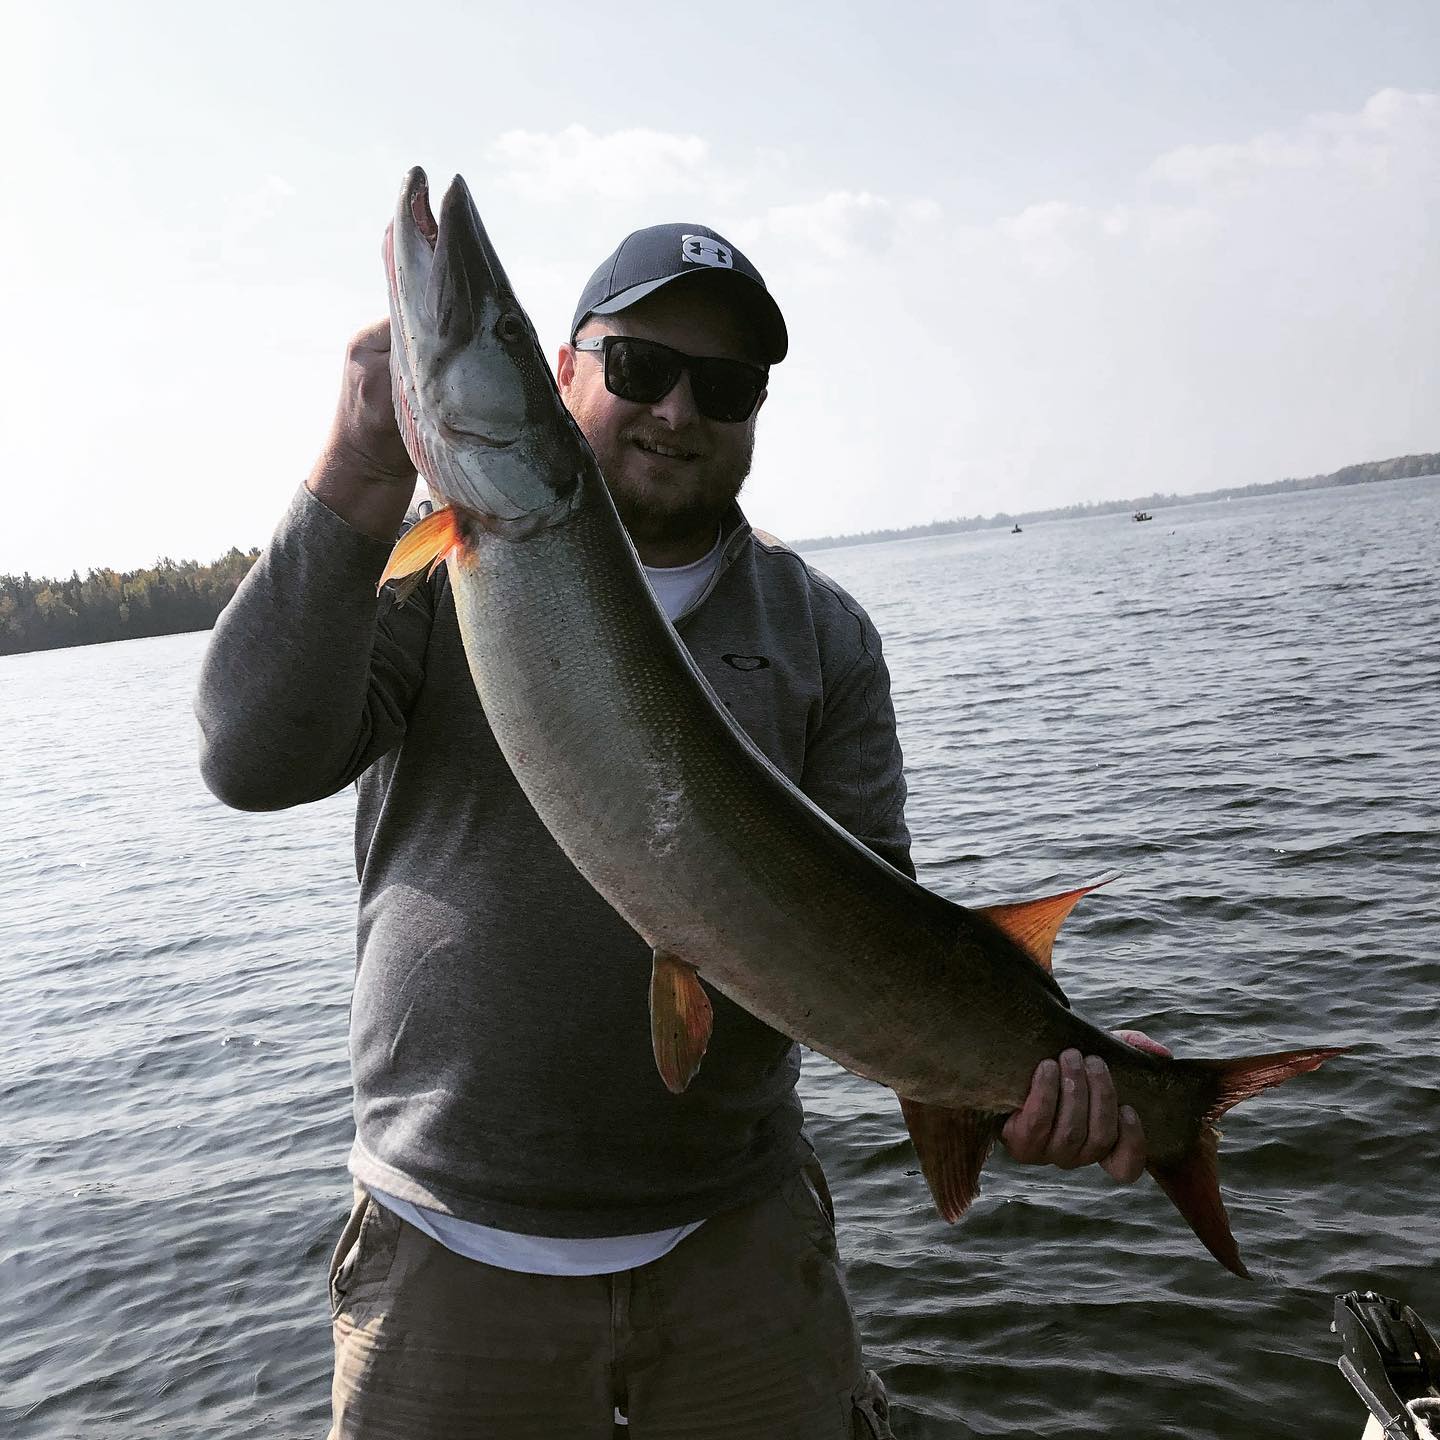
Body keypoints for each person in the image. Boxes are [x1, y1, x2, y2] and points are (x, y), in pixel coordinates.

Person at [197, 220, 1164, 1439]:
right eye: (641, 367)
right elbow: (247, 757)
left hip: (740, 1255)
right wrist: (353, 460)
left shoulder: (825, 635)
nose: (677, 410)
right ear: (560, 376)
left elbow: (878, 933)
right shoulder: (428, 574)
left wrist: (1028, 1063)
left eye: (726, 385)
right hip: (444, 1258)